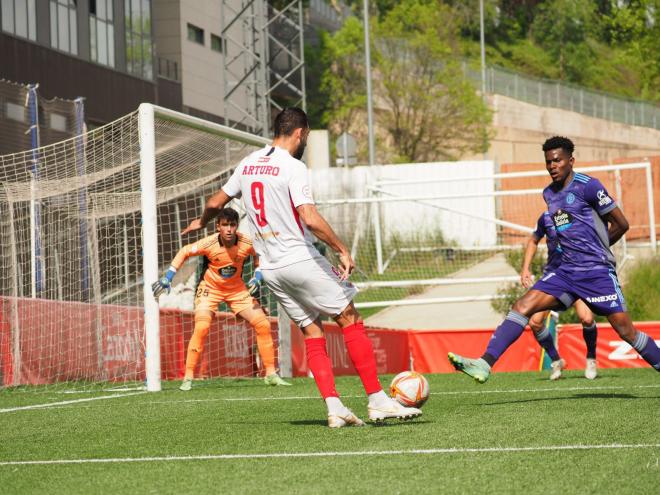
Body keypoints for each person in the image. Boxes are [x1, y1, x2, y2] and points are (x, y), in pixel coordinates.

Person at [182, 107, 422, 427]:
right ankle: (378, 401)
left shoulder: (248, 163)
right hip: (299, 259)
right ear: (299, 133)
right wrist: (342, 249)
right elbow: (308, 217)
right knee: (349, 316)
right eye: (305, 136)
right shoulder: (293, 167)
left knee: (312, 330)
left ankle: (334, 407)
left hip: (271, 269)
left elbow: (214, 203)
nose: (305, 141)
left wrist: (203, 221)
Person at [448, 136, 660, 382]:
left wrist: (598, 249)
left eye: (557, 160)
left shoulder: (589, 186)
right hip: (565, 272)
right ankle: (485, 363)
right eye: (548, 162)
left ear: (571, 161)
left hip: (595, 271)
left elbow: (622, 224)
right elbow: (543, 235)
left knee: (626, 332)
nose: (552, 166)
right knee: (522, 307)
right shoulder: (548, 194)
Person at [152, 207, 291, 390]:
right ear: (218, 226)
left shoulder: (247, 243)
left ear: (237, 226)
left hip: (237, 290)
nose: (229, 229)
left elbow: (261, 257)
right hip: (210, 289)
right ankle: (188, 377)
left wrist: (257, 276)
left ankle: (271, 374)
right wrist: (168, 276)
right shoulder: (209, 243)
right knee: (202, 327)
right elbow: (185, 251)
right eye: (225, 225)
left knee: (262, 323)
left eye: (232, 225)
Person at [521, 211, 598, 380]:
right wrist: (526, 268)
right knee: (535, 322)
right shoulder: (545, 217)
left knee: (586, 319)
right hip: (554, 278)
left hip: (578, 276)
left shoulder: (580, 212)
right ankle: (557, 361)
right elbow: (534, 240)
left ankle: (591, 358)